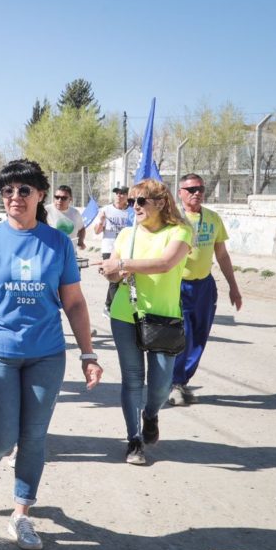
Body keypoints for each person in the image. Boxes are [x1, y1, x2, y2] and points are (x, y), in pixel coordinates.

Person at [0, 159, 102, 550]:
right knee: (3, 435)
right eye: (7, 191)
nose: (14, 198)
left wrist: (88, 354)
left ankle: (21, 515)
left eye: (24, 190)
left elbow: (73, 303)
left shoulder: (58, 242)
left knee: (34, 435)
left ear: (41, 195)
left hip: (47, 353)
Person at [101, 179, 192, 466]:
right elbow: (115, 271)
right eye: (131, 202)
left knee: (161, 384)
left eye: (141, 201)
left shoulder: (179, 232)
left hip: (163, 318)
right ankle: (134, 440)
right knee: (131, 379)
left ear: (161, 203)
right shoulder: (127, 234)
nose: (135, 207)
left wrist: (124, 265)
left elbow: (165, 263)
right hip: (125, 315)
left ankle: (151, 413)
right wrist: (111, 271)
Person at [170, 174, 242, 405]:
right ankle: (174, 382)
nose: (196, 193)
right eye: (190, 189)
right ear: (180, 192)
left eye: (200, 188)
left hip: (205, 286)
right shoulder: (173, 219)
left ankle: (182, 380)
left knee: (200, 336)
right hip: (178, 286)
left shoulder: (212, 218)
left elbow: (221, 254)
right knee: (185, 335)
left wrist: (234, 287)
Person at [93, 187, 132, 312]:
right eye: (117, 193)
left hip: (125, 249)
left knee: (122, 278)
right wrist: (101, 220)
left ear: (127, 196)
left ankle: (110, 305)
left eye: (122, 193)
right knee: (113, 277)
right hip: (109, 248)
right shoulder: (105, 210)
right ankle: (110, 307)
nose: (119, 196)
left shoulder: (131, 212)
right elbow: (97, 231)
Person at [45, 185, 86, 251]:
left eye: (63, 198)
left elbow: (81, 229)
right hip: (52, 251)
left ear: (70, 199)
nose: (59, 200)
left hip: (70, 252)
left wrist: (80, 242)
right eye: (57, 197)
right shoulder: (46, 211)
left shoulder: (75, 213)